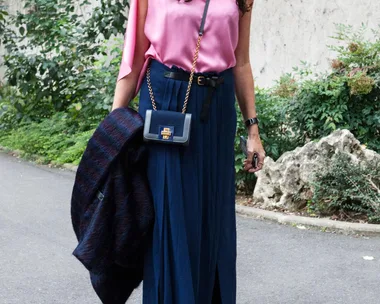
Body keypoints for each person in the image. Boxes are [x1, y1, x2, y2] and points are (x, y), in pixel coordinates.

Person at [111, 0, 265, 303]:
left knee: (211, 216)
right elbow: (135, 57)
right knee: (171, 215)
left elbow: (241, 61)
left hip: (217, 111)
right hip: (167, 106)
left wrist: (253, 130)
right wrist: (114, 124)